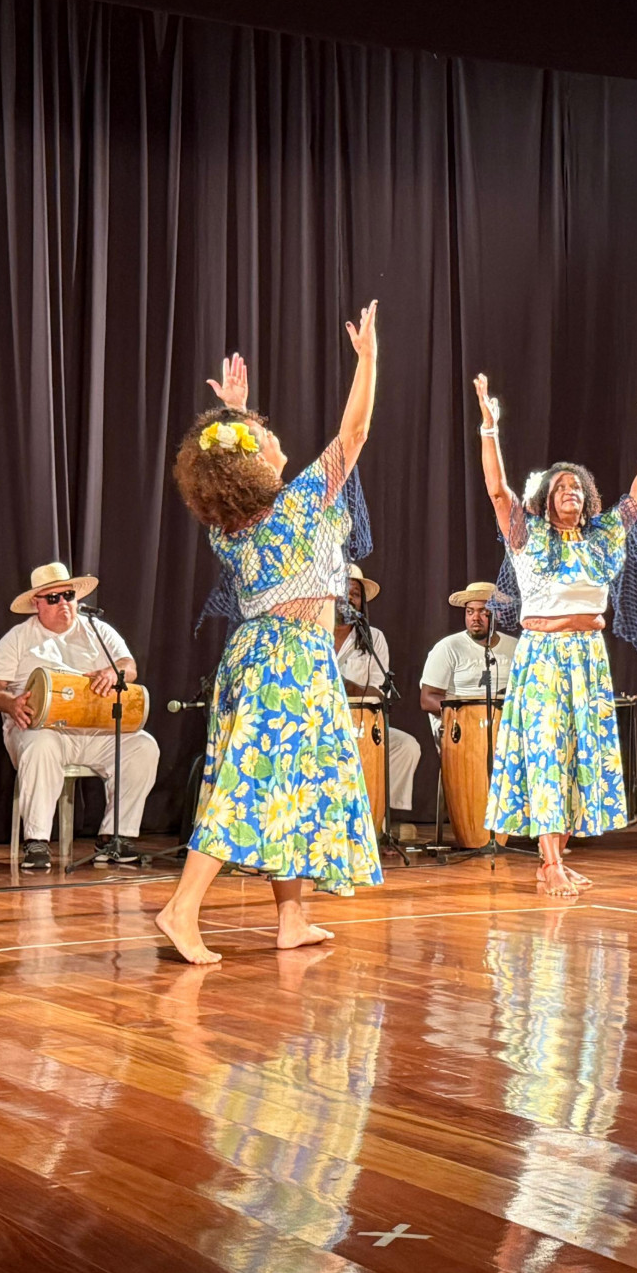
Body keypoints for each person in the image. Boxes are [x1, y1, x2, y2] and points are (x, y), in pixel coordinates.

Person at [158, 305, 383, 963]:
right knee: (252, 784)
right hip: (287, 659)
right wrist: (367, 359)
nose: (276, 438)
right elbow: (357, 428)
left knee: (292, 783)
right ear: (256, 465)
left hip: (265, 654)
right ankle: (181, 908)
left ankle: (292, 918)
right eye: (263, 435)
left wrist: (235, 415)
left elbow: (226, 470)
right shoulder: (301, 502)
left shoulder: (225, 526)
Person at [471, 373, 637, 897]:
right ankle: (548, 865)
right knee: (546, 752)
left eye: (577, 489)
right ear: (546, 499)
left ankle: (557, 858)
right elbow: (497, 490)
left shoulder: (602, 538)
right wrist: (489, 429)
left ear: (587, 501)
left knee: (577, 756)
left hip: (588, 656)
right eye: (560, 487)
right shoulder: (527, 535)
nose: (569, 492)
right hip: (543, 656)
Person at [0, 563, 161, 868]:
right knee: (41, 744)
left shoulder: (98, 631)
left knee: (143, 746)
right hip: (41, 728)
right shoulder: (19, 637)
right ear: (36, 604)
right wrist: (11, 704)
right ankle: (36, 842)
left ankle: (114, 837)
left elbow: (129, 667)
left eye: (68, 596)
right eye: (53, 598)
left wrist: (113, 672)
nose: (63, 603)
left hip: (94, 730)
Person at [333, 563, 422, 818]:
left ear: (362, 604)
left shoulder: (374, 638)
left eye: (356, 594)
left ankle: (380, 817)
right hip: (323, 724)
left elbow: (381, 693)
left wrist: (347, 685)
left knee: (407, 746)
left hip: (363, 725)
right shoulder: (314, 635)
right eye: (343, 591)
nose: (350, 598)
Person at [419, 582, 519, 736]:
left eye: (483, 611)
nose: (475, 618)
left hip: (507, 726)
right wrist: (469, 713)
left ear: (497, 614)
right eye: (470, 612)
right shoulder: (449, 647)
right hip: (463, 727)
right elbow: (427, 699)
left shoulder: (515, 647)